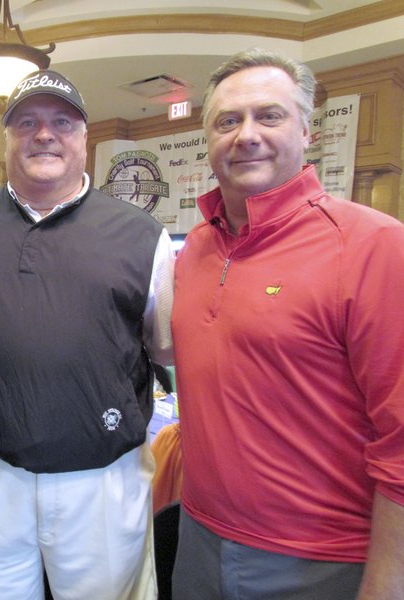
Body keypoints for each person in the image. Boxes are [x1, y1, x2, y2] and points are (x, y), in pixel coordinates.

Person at [171, 47, 404, 600]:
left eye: (269, 115)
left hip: (319, 561)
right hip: (198, 538)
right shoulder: (195, 248)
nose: (246, 134)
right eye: (227, 120)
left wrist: (387, 584)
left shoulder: (373, 244)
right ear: (208, 139)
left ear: (307, 130)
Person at [0, 70, 175, 600]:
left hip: (104, 479)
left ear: (84, 139)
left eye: (61, 122)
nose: (44, 134)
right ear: (7, 138)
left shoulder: (142, 235)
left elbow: (164, 345)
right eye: (27, 122)